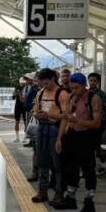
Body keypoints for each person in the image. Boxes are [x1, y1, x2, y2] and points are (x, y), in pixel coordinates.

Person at [55, 73, 102, 212]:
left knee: (88, 169)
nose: (74, 90)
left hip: (86, 136)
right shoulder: (70, 97)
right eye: (72, 87)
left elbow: (96, 123)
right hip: (72, 136)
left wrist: (78, 121)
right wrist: (59, 138)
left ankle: (89, 200)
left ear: (84, 86)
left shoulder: (94, 99)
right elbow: (65, 119)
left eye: (76, 88)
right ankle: (71, 198)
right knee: (71, 168)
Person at [30, 68, 69, 204]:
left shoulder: (62, 94)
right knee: (43, 162)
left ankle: (59, 193)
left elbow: (65, 117)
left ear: (53, 79)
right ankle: (43, 191)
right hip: (42, 129)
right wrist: (37, 114)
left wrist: (59, 138)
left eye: (46, 83)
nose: (43, 86)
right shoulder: (40, 93)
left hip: (56, 130)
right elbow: (35, 110)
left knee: (58, 163)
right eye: (41, 84)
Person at [87, 72, 106, 176]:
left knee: (95, 144)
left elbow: (101, 109)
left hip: (99, 122)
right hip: (89, 122)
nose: (92, 82)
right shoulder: (86, 93)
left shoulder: (101, 94)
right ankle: (92, 166)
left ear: (98, 82)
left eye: (94, 81)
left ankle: (103, 164)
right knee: (91, 144)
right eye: (90, 80)